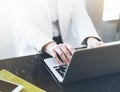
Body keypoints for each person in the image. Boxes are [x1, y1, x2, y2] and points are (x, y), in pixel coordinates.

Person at [12, 0, 103, 64]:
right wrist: (47, 44)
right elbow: (22, 22)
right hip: (37, 45)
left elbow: (79, 13)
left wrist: (91, 38)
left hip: (65, 43)